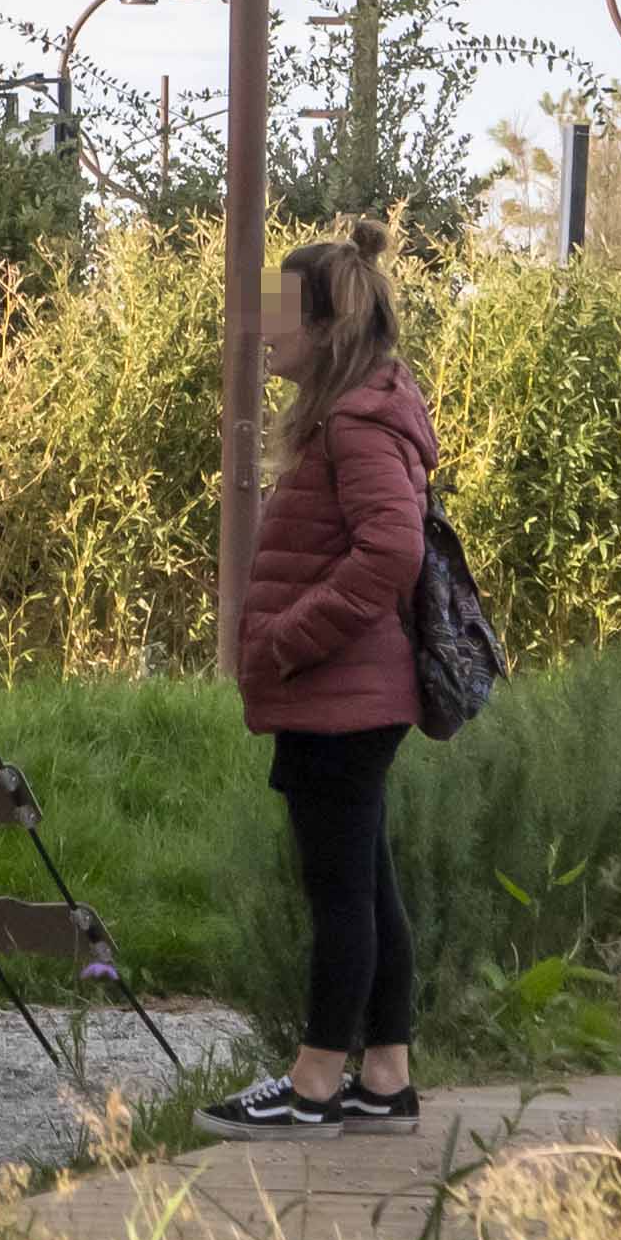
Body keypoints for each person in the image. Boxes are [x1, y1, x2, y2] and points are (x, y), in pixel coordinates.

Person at [205, 223, 433, 1139]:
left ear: (325, 326)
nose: (262, 332)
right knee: (366, 884)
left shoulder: (354, 423)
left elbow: (391, 550)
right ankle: (384, 1076)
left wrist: (288, 639)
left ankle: (312, 1084)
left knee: (339, 891)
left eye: (277, 314)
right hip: (346, 693)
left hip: (341, 695)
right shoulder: (359, 413)